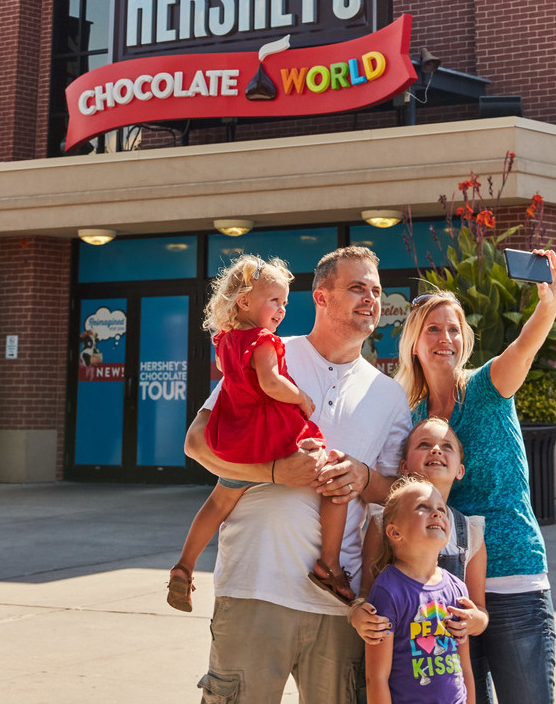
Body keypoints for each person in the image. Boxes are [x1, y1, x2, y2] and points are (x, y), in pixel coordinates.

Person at [184, 246, 412, 704]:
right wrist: (274, 472)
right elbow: (197, 444)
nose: (370, 299)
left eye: (376, 290)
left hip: (337, 602)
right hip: (254, 587)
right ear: (320, 297)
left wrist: (362, 478)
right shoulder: (267, 352)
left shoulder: (389, 395)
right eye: (356, 288)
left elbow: (397, 495)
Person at [396, 249, 556, 704]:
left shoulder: (488, 387)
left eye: (454, 329)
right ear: (415, 341)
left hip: (514, 578)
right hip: (446, 583)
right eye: (433, 329)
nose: (444, 338)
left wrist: (547, 304)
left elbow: (525, 345)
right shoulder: (410, 416)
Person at [168, 255, 351, 612]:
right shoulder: (264, 340)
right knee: (332, 474)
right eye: (274, 301)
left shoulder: (225, 341)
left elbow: (233, 377)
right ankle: (329, 564)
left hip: (236, 434)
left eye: (284, 302)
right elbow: (269, 383)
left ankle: (184, 565)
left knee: (219, 501)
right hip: (271, 434)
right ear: (245, 301)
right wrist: (300, 396)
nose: (281, 309)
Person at [350, 418, 488, 646]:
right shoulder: (383, 523)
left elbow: (480, 610)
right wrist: (357, 616)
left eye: (447, 446)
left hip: (445, 668)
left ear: (460, 470)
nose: (436, 450)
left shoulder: (470, 532)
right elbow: (365, 593)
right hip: (393, 663)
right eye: (424, 445)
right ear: (404, 467)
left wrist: (475, 620)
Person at [363, 476, 475, 704]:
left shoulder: (457, 587)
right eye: (422, 507)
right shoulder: (387, 590)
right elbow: (377, 678)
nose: (437, 513)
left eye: (441, 509)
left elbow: (465, 668)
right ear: (394, 532)